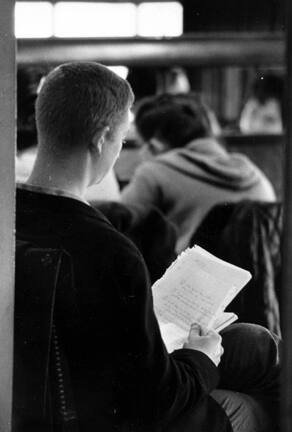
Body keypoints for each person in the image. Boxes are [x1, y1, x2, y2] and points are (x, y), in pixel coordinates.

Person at [16, 62, 280, 432]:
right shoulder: (110, 250)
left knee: (255, 342)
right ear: (102, 137)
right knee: (252, 405)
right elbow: (158, 401)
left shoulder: (9, 222)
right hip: (120, 417)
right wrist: (199, 359)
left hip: (58, 394)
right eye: (122, 140)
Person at [121, 92, 276, 252]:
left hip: (192, 274)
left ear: (153, 146)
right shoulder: (254, 173)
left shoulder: (155, 171)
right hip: (259, 274)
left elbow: (114, 225)